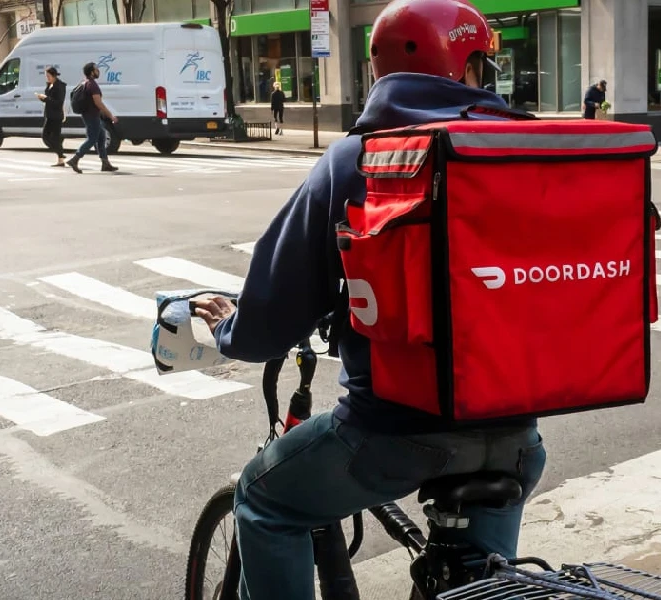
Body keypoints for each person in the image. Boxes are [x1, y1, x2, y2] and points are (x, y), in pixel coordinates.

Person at [190, 0, 546, 597]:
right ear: (462, 68)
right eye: (482, 64)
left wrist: (231, 328)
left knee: (264, 498)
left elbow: (272, 312)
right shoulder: (528, 154)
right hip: (516, 438)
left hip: (393, 436)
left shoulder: (359, 160)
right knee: (480, 585)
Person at [66, 62, 118, 174]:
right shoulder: (92, 85)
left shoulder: (84, 82)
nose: (98, 71)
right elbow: (98, 103)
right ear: (91, 72)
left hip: (91, 115)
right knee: (92, 139)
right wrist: (111, 116)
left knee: (101, 138)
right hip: (92, 116)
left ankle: (105, 163)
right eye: (96, 69)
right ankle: (75, 159)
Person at [36, 67, 67, 167]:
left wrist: (46, 98)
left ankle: (60, 152)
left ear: (53, 75)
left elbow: (58, 103)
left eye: (48, 76)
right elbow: (49, 99)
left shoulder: (60, 86)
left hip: (56, 116)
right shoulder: (50, 85)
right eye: (46, 76)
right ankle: (61, 158)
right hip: (50, 115)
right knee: (53, 137)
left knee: (46, 137)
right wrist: (42, 98)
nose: (47, 78)